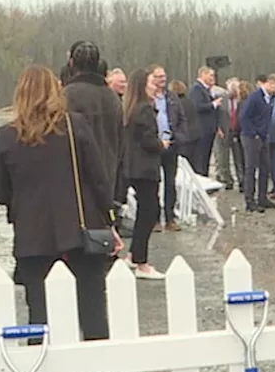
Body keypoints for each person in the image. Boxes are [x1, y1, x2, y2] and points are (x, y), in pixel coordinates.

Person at [0, 65, 120, 372]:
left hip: (34, 236)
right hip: (81, 230)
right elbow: (98, 178)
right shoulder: (76, 126)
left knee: (39, 315)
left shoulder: (5, 136)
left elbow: (0, 192)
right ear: (55, 90)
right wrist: (111, 219)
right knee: (93, 307)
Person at [62, 42, 124, 209]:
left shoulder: (66, 96)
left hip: (74, 179)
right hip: (107, 174)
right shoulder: (112, 98)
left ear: (72, 64)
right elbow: (120, 141)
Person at [122, 69, 169, 280]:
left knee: (145, 211)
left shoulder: (133, 108)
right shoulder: (144, 110)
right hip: (145, 168)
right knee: (149, 212)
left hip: (135, 167)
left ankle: (133, 254)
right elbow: (148, 140)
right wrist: (162, 144)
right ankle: (142, 262)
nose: (156, 86)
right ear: (142, 85)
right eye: (151, 82)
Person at [148, 65, 188, 232]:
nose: (162, 79)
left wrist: (179, 136)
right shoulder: (147, 98)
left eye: (163, 76)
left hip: (171, 145)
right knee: (154, 184)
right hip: (153, 146)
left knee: (170, 183)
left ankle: (170, 218)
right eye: (158, 76)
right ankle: (155, 219)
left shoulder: (171, 97)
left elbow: (181, 118)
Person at [240, 74, 275, 213]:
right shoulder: (255, 97)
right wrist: (254, 133)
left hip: (264, 137)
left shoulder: (271, 99)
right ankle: (249, 200)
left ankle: (262, 197)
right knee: (251, 168)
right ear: (269, 83)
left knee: (265, 167)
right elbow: (244, 116)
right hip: (251, 137)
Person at [186, 66, 221, 177]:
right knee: (200, 159)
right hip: (202, 130)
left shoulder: (206, 89)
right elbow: (196, 106)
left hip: (209, 130)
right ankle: (200, 181)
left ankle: (204, 180)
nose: (213, 78)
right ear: (203, 75)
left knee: (206, 158)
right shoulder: (196, 89)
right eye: (210, 75)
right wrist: (213, 104)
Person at [214, 78, 243, 190]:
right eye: (232, 90)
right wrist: (217, 128)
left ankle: (241, 180)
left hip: (236, 131)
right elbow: (215, 114)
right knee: (222, 158)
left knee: (239, 157)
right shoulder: (220, 98)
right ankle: (227, 179)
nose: (233, 92)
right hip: (223, 130)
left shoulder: (241, 100)